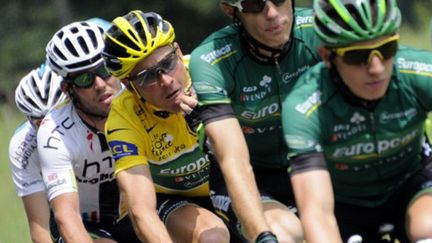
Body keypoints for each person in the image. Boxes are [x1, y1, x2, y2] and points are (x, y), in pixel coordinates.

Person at [281, 0, 432, 242]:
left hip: (411, 184)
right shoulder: (305, 106)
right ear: (327, 56)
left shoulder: (417, 71)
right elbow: (317, 212)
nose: (376, 68)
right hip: (346, 204)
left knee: (428, 228)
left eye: (387, 49)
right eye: (358, 56)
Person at [188, 0, 322, 242]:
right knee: (286, 233)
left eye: (279, 0)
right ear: (231, 10)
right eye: (254, 4)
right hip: (250, 178)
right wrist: (263, 235)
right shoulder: (212, 59)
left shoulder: (319, 30)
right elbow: (233, 159)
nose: (271, 13)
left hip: (308, 167)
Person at [101, 10, 230, 243]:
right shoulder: (123, 117)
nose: (166, 81)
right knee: (213, 237)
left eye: (168, 63)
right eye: (147, 77)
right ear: (130, 86)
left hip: (226, 185)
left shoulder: (211, 74)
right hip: (172, 200)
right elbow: (141, 210)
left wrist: (213, 125)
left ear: (179, 52)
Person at [39, 20, 139, 242]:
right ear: (67, 89)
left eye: (104, 70)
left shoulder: (138, 96)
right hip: (86, 225)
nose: (100, 84)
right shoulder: (54, 133)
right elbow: (67, 217)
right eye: (85, 79)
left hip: (137, 212)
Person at [9, 64, 66, 243]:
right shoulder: (22, 146)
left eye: (58, 116)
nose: (51, 128)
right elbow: (40, 230)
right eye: (41, 122)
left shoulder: (97, 115)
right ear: (29, 119)